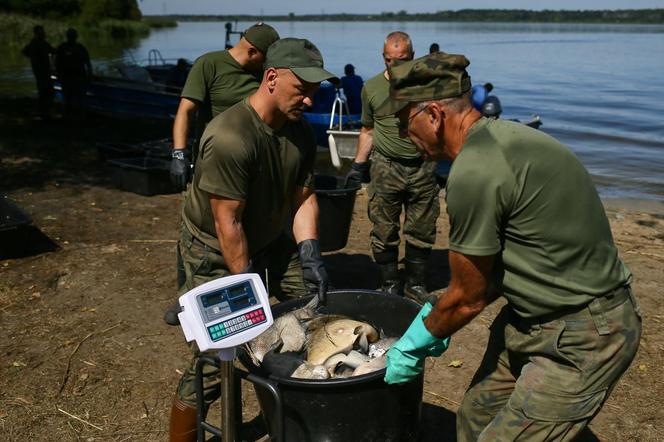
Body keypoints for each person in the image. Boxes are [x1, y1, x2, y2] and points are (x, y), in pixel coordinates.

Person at [381, 52, 642, 440]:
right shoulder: (514, 137)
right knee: (474, 418)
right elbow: (504, 264)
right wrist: (439, 315)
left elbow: (468, 298)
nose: (404, 136)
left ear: (434, 115)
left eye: (405, 123)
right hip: (530, 315)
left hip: (586, 333)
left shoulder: (474, 170)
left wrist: (415, 343)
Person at [168, 37, 337, 442]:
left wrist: (311, 254)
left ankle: (301, 401)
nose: (310, 101)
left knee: (317, 306)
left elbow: (303, 197)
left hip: (265, 238)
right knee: (215, 357)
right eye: (303, 90)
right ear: (272, 78)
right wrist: (248, 295)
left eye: (315, 92)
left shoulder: (298, 132)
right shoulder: (230, 136)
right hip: (213, 247)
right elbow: (228, 223)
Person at [345, 31, 439, 305]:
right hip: (386, 168)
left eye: (402, 60)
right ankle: (388, 283)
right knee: (384, 230)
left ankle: (415, 284)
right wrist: (358, 165)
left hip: (424, 167)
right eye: (389, 60)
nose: (395, 66)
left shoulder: (428, 86)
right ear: (383, 57)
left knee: (422, 230)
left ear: (412, 56)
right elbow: (368, 130)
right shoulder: (372, 88)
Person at [169, 22, 280, 193]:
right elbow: (185, 111)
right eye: (265, 58)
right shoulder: (209, 64)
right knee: (207, 217)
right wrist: (178, 155)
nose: (268, 64)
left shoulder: (265, 73)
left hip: (254, 160)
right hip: (214, 160)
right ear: (252, 52)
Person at [55, 28, 92, 118]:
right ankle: (68, 116)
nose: (72, 37)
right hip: (68, 78)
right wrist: (59, 75)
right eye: (71, 35)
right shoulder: (62, 48)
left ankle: (78, 116)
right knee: (69, 99)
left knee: (78, 99)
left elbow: (88, 63)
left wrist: (89, 75)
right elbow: (57, 63)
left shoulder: (80, 47)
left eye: (73, 35)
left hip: (79, 77)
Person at [22, 25, 55, 120]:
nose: (44, 33)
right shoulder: (36, 43)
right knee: (46, 91)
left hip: (43, 71)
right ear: (37, 33)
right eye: (41, 31)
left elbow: (52, 50)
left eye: (43, 31)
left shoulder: (41, 43)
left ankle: (43, 111)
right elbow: (24, 51)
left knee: (46, 91)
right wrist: (34, 59)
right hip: (41, 71)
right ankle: (42, 111)